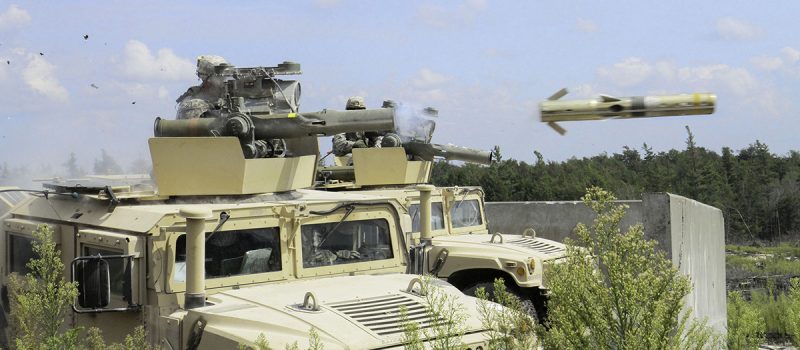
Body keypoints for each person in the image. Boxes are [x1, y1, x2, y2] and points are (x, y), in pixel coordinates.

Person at [175, 55, 230, 119]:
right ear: (207, 79)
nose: (225, 81)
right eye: (220, 77)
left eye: (227, 76)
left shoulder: (219, 100)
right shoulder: (194, 105)